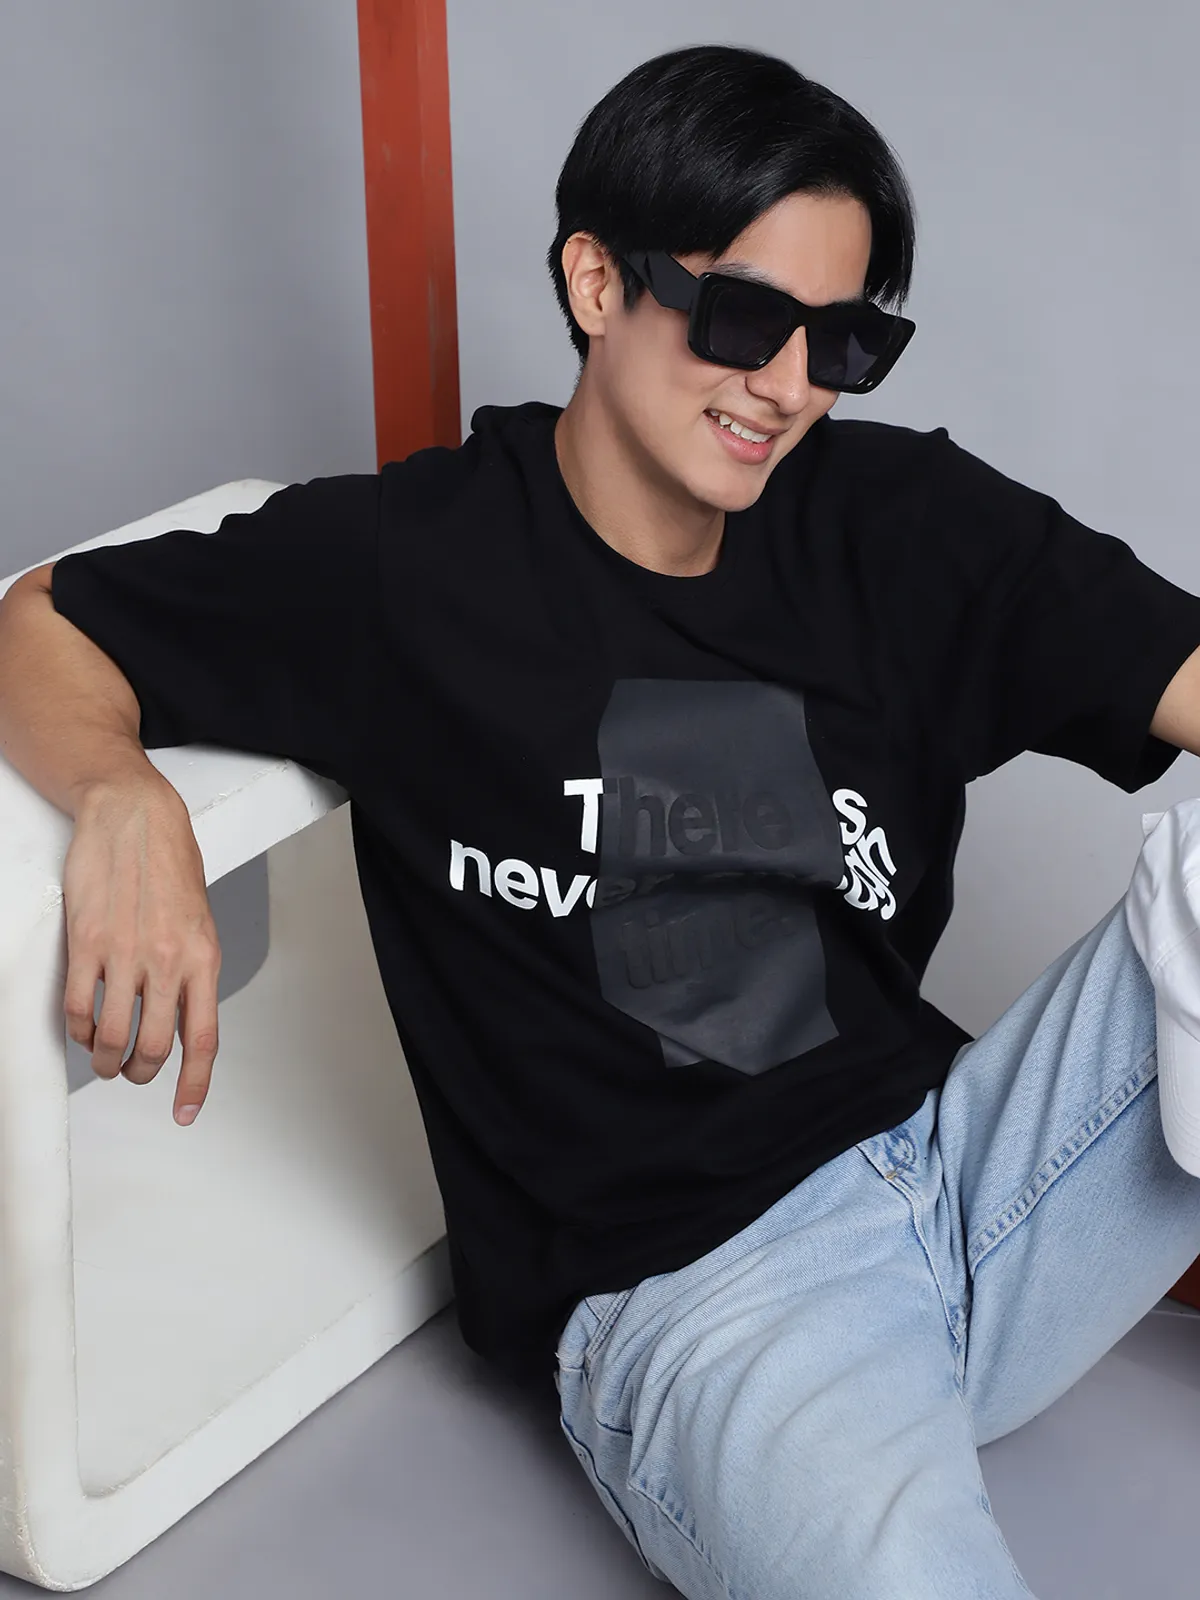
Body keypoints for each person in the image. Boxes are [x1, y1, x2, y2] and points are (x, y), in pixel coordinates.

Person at [2, 41, 1200, 1600]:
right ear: (594, 281)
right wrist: (120, 794)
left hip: (981, 1172)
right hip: (709, 1306)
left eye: (842, 343)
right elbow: (45, 621)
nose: (788, 386)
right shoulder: (415, 570)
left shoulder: (900, 526)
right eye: (745, 319)